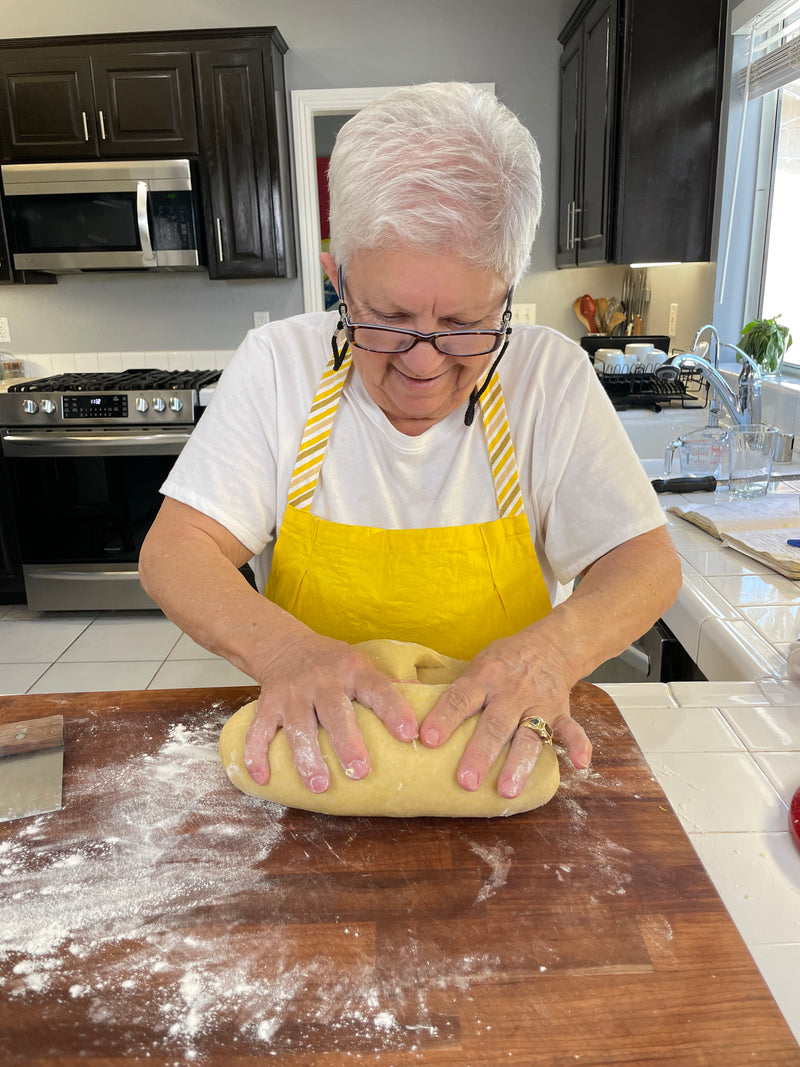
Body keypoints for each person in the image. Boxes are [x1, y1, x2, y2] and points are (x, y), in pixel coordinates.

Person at [139, 82, 681, 803]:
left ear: (507, 297)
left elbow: (646, 563)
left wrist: (553, 653)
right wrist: (287, 651)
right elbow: (174, 553)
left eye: (465, 325)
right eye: (387, 319)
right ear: (338, 284)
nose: (423, 363)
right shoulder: (277, 365)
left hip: (497, 760)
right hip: (313, 756)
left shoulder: (548, 376)